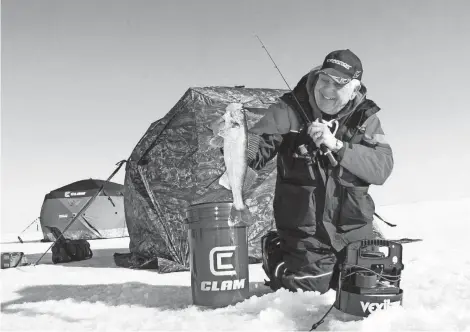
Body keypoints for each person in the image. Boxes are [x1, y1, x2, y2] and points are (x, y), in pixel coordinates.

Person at [243, 49, 393, 293]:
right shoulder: (288, 109)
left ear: (354, 90)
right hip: (306, 231)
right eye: (324, 80)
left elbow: (381, 168)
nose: (327, 90)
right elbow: (255, 154)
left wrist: (339, 146)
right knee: (314, 289)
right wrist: (234, 139)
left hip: (353, 228)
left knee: (372, 284)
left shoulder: (365, 118)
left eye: (338, 84)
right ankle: (277, 257)